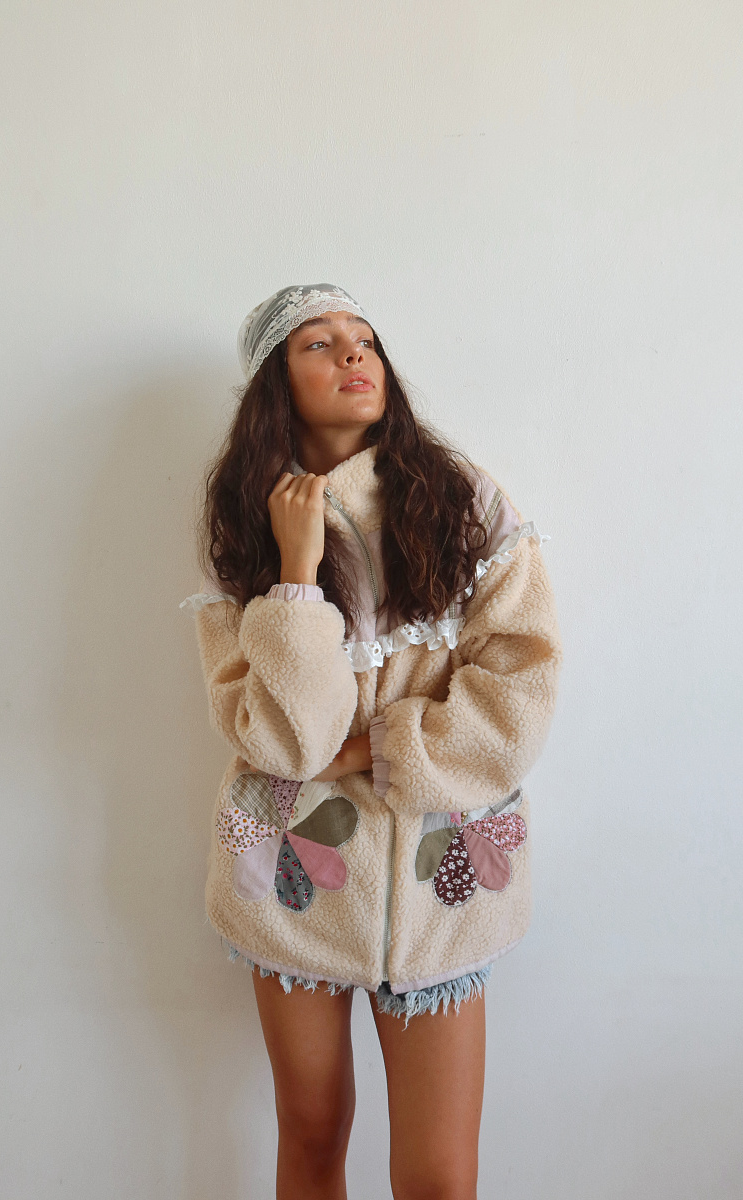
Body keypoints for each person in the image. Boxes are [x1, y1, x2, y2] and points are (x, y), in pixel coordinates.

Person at [181, 283, 562, 1198]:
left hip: (443, 876)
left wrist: (381, 748)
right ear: (275, 384)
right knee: (312, 1137)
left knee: (439, 1178)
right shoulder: (244, 525)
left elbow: (519, 685)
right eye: (318, 344)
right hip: (293, 879)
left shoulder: (464, 501)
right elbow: (285, 740)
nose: (354, 354)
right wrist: (298, 570)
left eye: (365, 339)